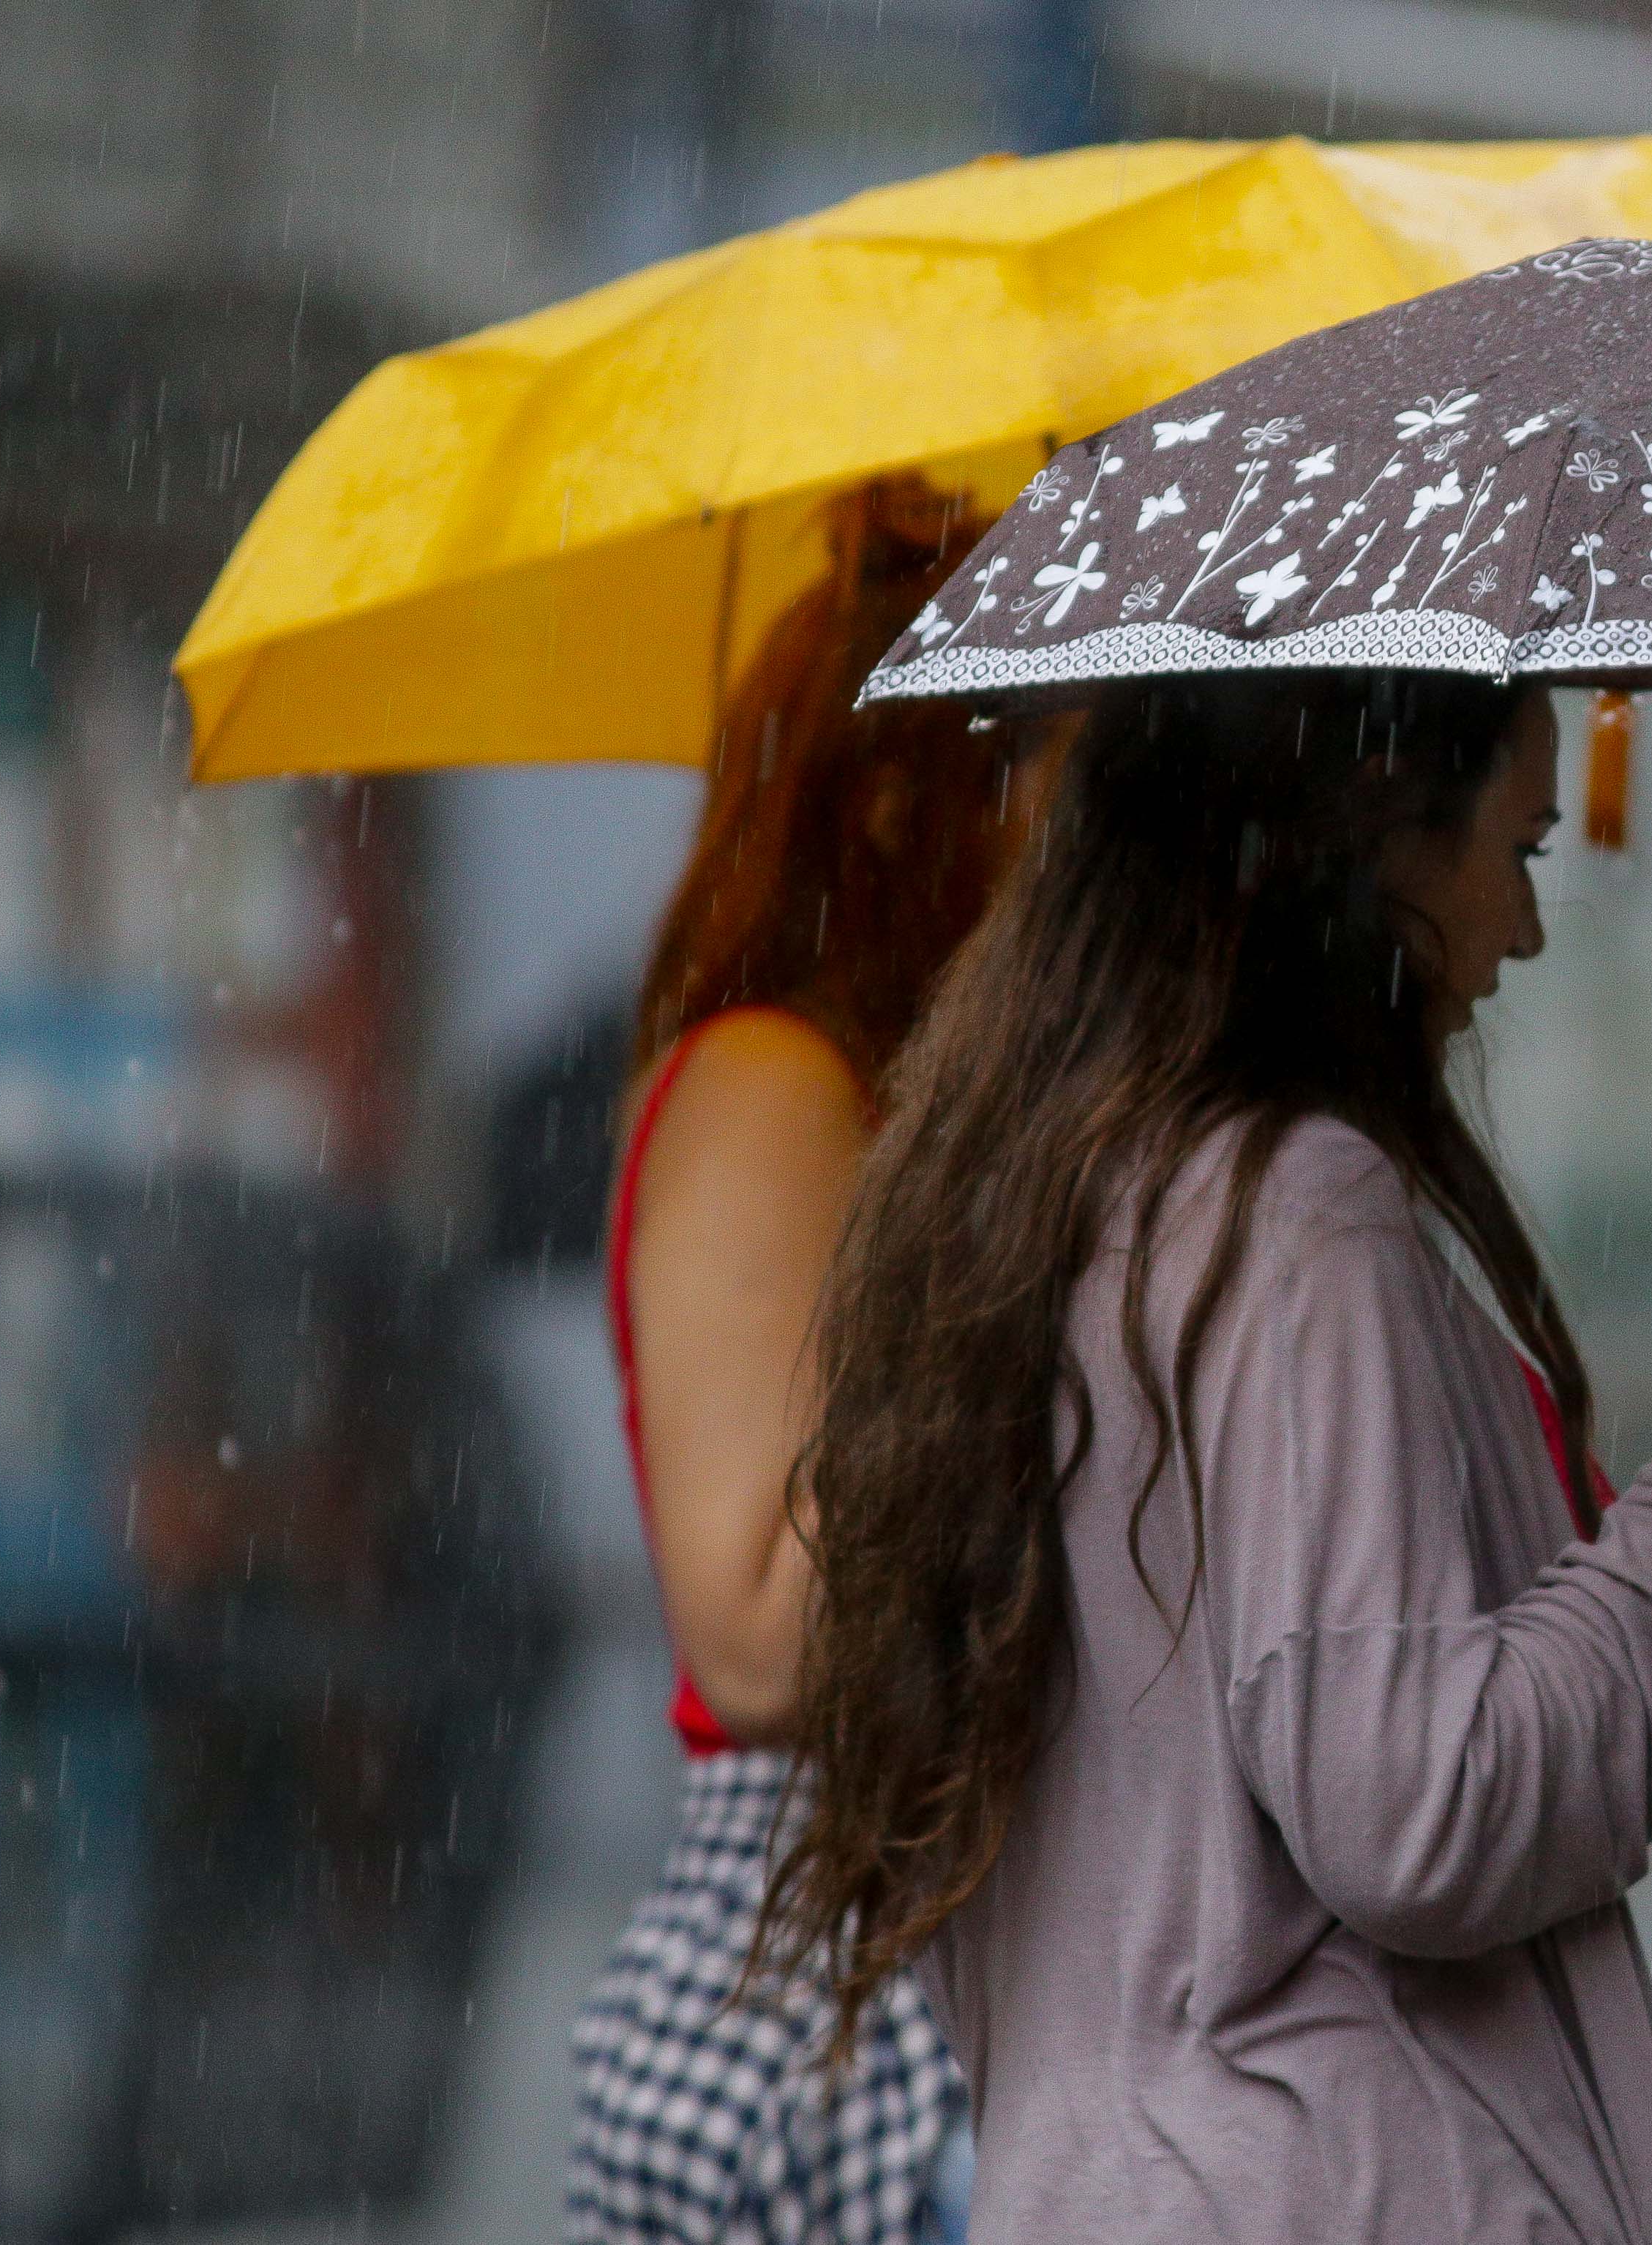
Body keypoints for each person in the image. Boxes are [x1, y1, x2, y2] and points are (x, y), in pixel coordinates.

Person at [763, 672, 1652, 2242]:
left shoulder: (1045, 1197)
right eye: (1516, 852)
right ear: (1376, 838)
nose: (1528, 934)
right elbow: (1416, 1807)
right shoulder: (1295, 1218)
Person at [567, 485, 1059, 2245]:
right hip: (828, 2019)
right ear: (912, 797)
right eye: (1049, 782)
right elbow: (764, 1632)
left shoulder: (876, 1103)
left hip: (910, 1995)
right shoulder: (778, 1085)